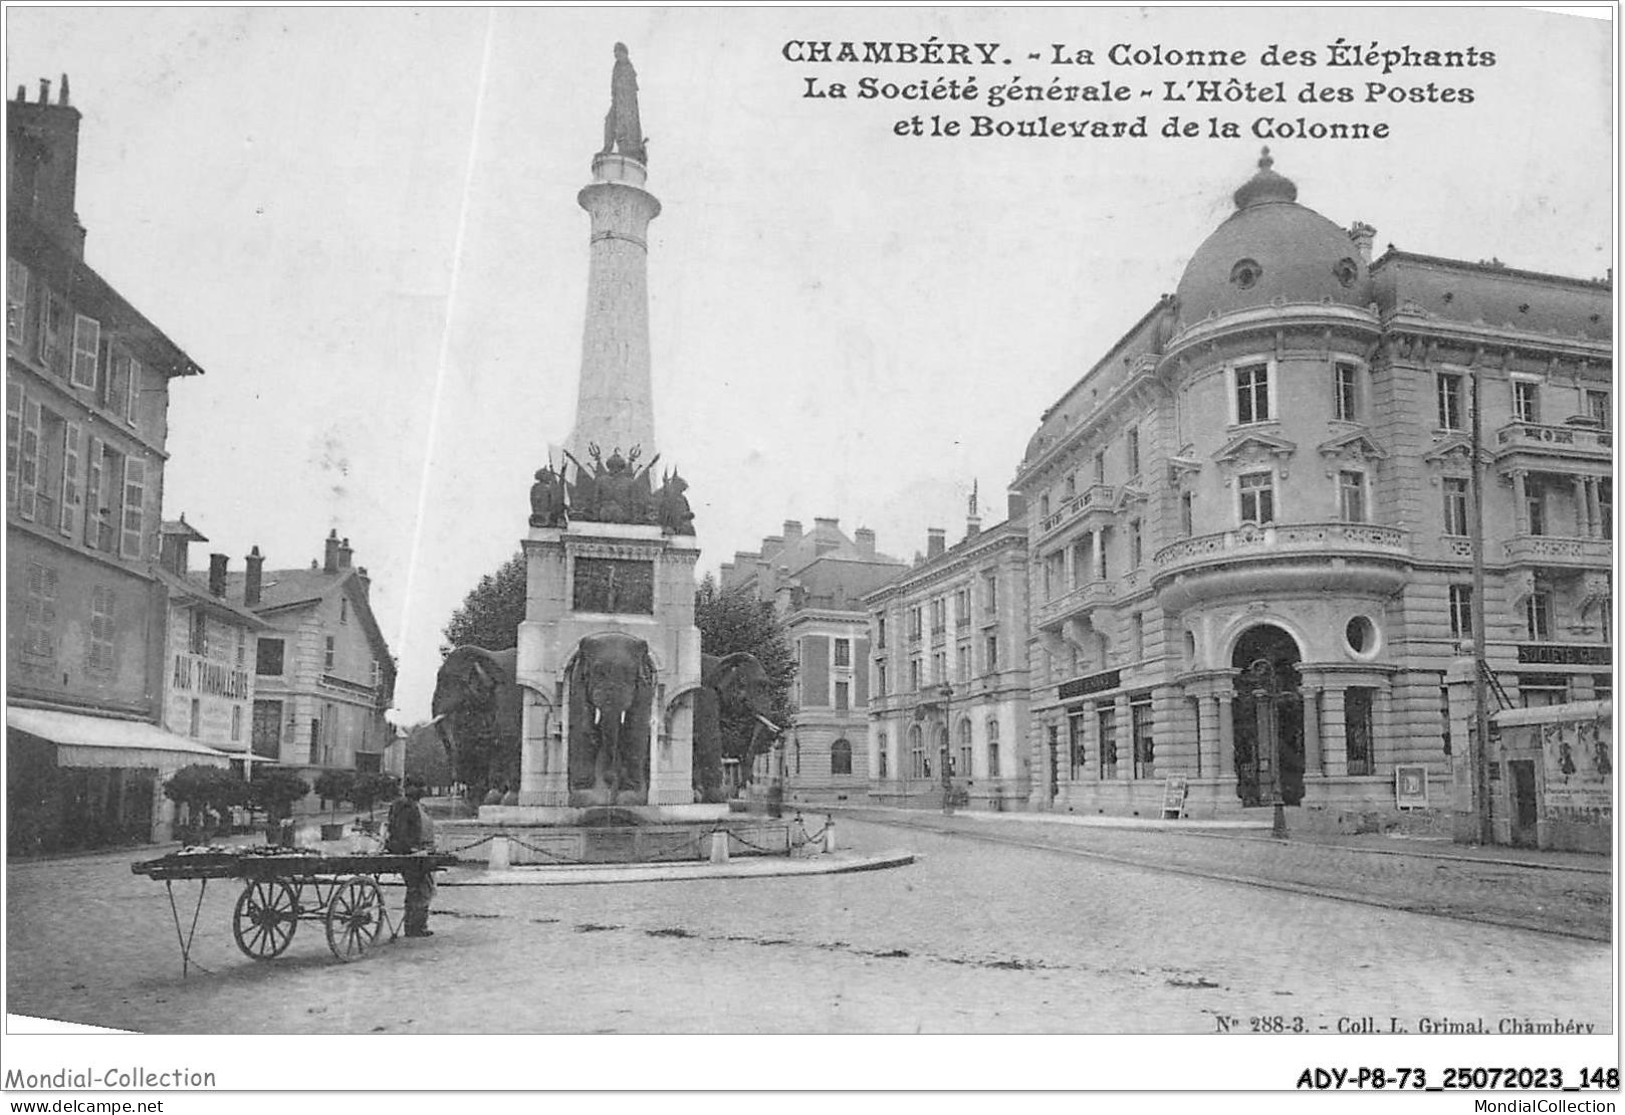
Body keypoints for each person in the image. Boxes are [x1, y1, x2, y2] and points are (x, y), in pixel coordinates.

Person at [386, 775, 437, 938]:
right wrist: (411, 848)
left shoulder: (419, 806)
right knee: (419, 888)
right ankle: (415, 927)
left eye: (423, 787)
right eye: (418, 786)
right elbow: (399, 831)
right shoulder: (403, 805)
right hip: (409, 853)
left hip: (420, 851)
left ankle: (417, 925)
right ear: (408, 788)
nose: (422, 790)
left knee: (422, 888)